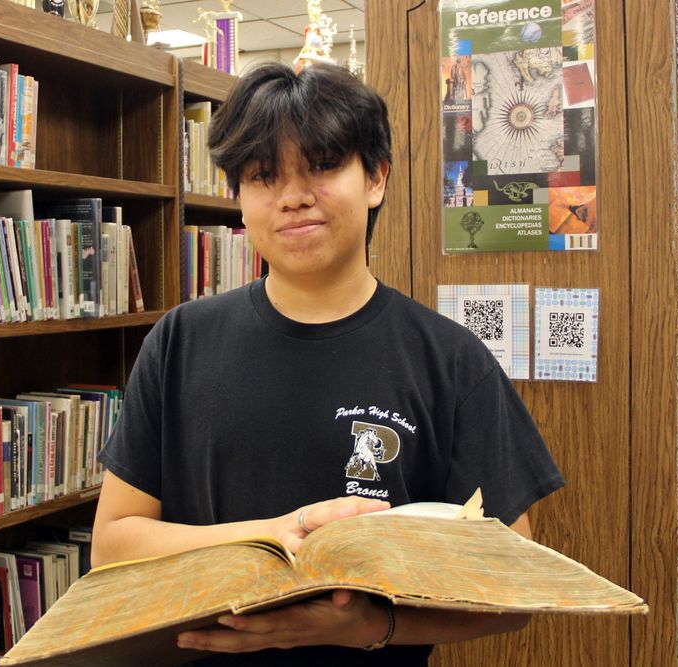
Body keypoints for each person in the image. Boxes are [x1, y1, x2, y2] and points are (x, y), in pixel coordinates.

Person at [92, 62, 564, 666]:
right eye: (264, 176)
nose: (293, 197)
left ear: (375, 179)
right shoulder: (180, 341)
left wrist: (367, 624)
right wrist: (275, 533)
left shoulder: (449, 361)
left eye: (321, 165)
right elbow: (113, 544)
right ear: (239, 199)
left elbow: (514, 584)